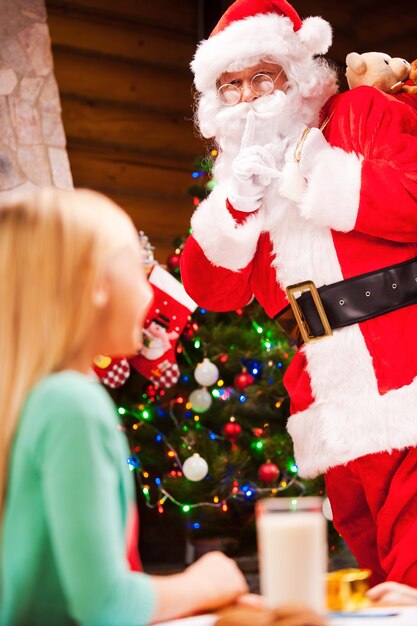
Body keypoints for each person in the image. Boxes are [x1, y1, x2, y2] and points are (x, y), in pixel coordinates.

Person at [180, 0, 417, 589]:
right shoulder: (239, 178)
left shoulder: (358, 115)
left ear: (297, 73)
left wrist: (317, 172)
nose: (250, 96)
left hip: (407, 377)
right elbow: (214, 291)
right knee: (379, 578)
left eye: (263, 76)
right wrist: (235, 203)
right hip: (330, 408)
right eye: (231, 85)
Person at [0, 187, 250, 626]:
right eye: (139, 272)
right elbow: (104, 607)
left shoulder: (39, 398)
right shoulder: (73, 404)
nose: (150, 295)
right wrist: (209, 582)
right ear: (94, 286)